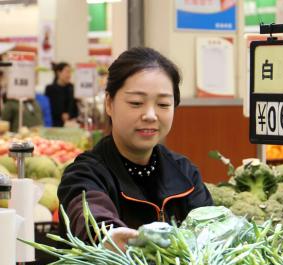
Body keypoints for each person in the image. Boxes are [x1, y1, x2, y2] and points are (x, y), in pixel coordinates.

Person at [58, 47, 213, 250]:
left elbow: (210, 230)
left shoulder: (185, 173)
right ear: (109, 104)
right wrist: (108, 236)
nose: (150, 115)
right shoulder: (84, 174)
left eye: (163, 104)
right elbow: (88, 213)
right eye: (136, 102)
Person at [45, 62, 78, 126]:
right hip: (54, 125)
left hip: (70, 124)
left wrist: (69, 114)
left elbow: (74, 108)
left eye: (70, 72)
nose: (69, 75)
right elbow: (48, 108)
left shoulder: (71, 88)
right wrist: (61, 115)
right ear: (59, 73)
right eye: (67, 72)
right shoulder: (50, 88)